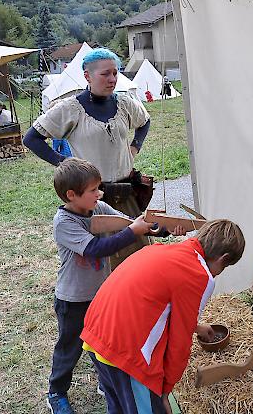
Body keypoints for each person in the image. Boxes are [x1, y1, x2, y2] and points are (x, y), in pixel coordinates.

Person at [46, 158, 184, 414]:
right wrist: (134, 230)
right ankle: (56, 391)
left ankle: (104, 380)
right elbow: (97, 249)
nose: (99, 194)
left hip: (100, 297)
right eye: (93, 190)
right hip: (73, 299)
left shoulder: (97, 207)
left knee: (99, 344)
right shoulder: (63, 222)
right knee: (69, 347)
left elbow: (129, 222)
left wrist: (163, 229)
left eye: (99, 188)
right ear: (71, 195)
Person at [80, 220, 245, 414]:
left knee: (118, 405)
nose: (218, 275)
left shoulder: (161, 250)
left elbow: (154, 303)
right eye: (224, 267)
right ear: (223, 258)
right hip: (124, 351)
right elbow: (179, 342)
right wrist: (165, 390)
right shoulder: (199, 275)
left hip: (96, 333)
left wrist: (197, 327)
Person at [23, 48, 153, 269]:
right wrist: (65, 163)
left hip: (126, 193)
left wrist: (135, 146)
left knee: (140, 257)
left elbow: (144, 121)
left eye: (115, 72)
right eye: (105, 74)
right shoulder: (70, 108)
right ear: (87, 76)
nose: (113, 79)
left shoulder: (125, 103)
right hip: (93, 198)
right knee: (106, 264)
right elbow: (32, 138)